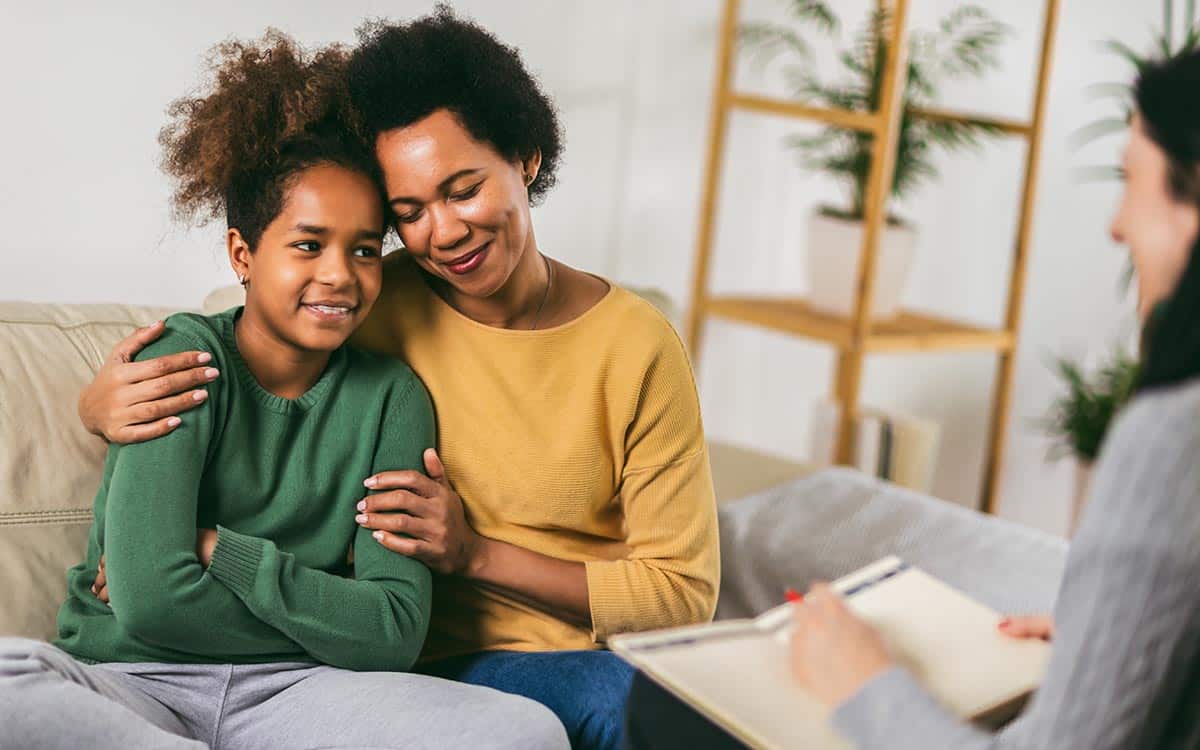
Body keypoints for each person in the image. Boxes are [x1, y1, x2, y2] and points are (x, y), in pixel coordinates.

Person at [76, 9, 721, 750]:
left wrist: (476, 554)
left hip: (556, 658)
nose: (443, 233)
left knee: (658, 707)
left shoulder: (636, 347)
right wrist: (98, 407)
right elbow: (252, 332)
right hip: (400, 668)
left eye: (464, 189)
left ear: (528, 157)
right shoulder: (372, 299)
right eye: (409, 212)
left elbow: (681, 595)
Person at [0, 31, 567, 750]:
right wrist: (328, 617)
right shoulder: (183, 359)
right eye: (308, 244)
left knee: (525, 732)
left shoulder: (393, 399)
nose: (340, 273)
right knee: (7, 685)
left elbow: (393, 632)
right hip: (133, 680)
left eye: (365, 249)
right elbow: (148, 606)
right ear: (243, 253)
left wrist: (220, 551)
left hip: (299, 695)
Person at [624, 50, 1200, 750]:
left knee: (668, 707)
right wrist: (1112, 645)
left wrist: (866, 683)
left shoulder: (1174, 438)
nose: (1116, 224)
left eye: (1130, 180)